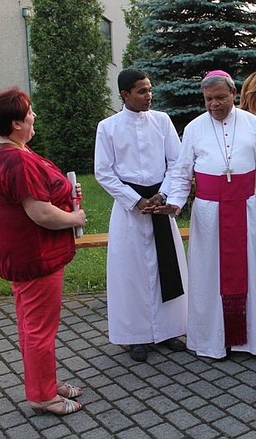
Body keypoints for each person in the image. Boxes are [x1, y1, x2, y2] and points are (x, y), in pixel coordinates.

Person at [154, 70, 256, 360]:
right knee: (209, 276)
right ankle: (214, 341)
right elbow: (181, 172)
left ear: (234, 93)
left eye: (220, 98)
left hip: (246, 209)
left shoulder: (252, 124)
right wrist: (174, 202)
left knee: (252, 273)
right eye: (208, 99)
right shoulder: (194, 128)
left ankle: (254, 341)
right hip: (208, 214)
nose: (214, 104)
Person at [0, 87, 86, 416]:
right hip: (36, 257)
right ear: (15, 122)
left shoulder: (0, 147)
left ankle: (45, 382)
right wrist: (74, 217)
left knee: (31, 326)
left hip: (21, 254)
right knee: (40, 329)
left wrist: (65, 188)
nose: (33, 116)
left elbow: (34, 191)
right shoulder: (16, 159)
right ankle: (43, 396)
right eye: (29, 112)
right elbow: (40, 213)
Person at [94, 68, 188, 363]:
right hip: (130, 210)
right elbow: (103, 172)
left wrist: (163, 194)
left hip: (159, 202)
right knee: (132, 274)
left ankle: (170, 330)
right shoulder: (107, 127)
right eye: (142, 91)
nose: (149, 96)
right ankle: (135, 336)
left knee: (166, 268)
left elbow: (177, 161)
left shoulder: (162, 121)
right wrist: (135, 201)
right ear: (125, 94)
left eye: (150, 90)